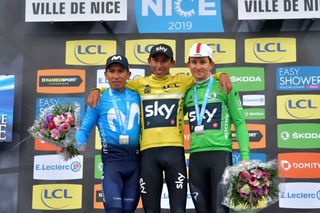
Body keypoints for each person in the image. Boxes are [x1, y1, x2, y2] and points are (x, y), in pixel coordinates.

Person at [87, 44, 233, 213]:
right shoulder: (138, 84)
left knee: (178, 209)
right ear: (149, 62)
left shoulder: (183, 81)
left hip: (175, 154)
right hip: (149, 155)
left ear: (172, 62)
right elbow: (117, 84)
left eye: (164, 61)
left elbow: (204, 76)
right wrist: (97, 89)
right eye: (155, 60)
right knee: (151, 209)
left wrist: (222, 75)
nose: (159, 65)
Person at [184, 43, 250, 213]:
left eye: (202, 62)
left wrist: (245, 157)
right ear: (188, 64)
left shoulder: (224, 86)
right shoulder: (187, 92)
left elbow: (240, 122)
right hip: (196, 157)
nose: (198, 66)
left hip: (220, 155)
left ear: (211, 64)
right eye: (194, 62)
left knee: (220, 210)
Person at [75, 55, 141, 213]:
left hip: (136, 164)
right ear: (105, 75)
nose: (116, 75)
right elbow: (84, 130)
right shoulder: (97, 100)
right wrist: (77, 145)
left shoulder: (137, 96)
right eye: (111, 71)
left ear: (128, 74)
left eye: (120, 71)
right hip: (112, 164)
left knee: (128, 210)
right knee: (114, 209)